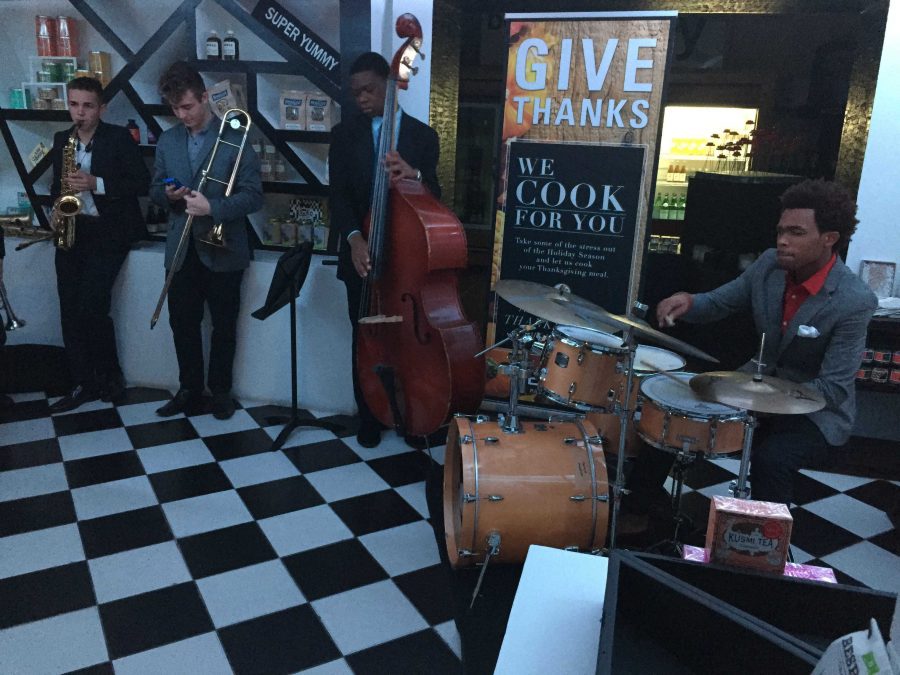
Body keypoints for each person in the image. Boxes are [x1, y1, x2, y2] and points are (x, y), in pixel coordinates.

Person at [624, 179, 878, 526]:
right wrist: (690, 302)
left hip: (816, 412)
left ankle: (764, 548)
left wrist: (767, 401)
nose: (782, 240)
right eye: (780, 231)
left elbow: (833, 387)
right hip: (755, 387)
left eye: (796, 233)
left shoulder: (854, 300)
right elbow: (721, 301)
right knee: (673, 407)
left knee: (772, 460)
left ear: (829, 238)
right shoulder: (770, 265)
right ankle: (639, 511)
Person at [328, 51, 441, 448]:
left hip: (406, 262)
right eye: (356, 92)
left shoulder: (423, 137)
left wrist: (417, 177)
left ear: (391, 85)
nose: (362, 99)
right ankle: (370, 415)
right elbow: (338, 197)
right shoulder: (343, 136)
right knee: (366, 339)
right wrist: (354, 239)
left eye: (370, 90)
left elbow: (437, 199)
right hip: (361, 258)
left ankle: (410, 414)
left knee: (407, 341)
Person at [150, 61, 262, 420]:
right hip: (180, 250)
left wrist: (212, 206)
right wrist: (169, 195)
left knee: (224, 325)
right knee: (182, 323)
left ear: (204, 98)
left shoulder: (234, 138)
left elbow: (253, 196)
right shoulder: (167, 140)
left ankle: (222, 392)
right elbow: (154, 188)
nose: (182, 115)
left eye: (188, 107)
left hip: (224, 247)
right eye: (175, 109)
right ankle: (189, 390)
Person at [47, 77, 149, 414]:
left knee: (92, 306)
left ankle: (110, 377)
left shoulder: (118, 138)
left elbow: (140, 183)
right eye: (74, 104)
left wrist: (96, 183)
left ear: (102, 108)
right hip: (73, 231)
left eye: (88, 105)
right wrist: (56, 207)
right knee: (68, 308)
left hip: (109, 232)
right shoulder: (63, 140)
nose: (80, 112)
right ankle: (82, 382)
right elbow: (54, 186)